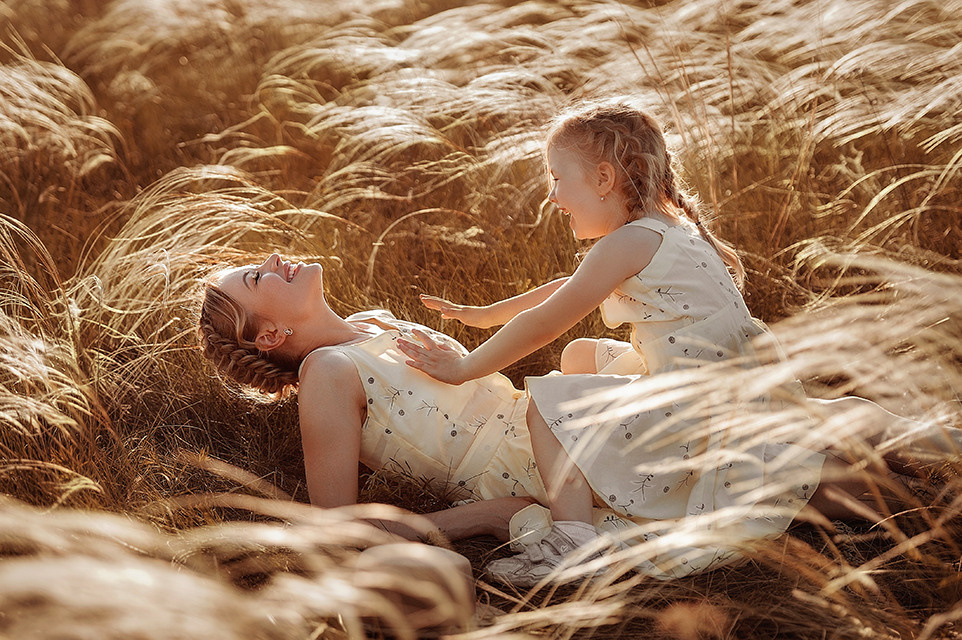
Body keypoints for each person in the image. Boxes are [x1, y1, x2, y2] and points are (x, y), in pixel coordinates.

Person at [397, 99, 961, 586]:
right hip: (733, 377)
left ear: (602, 179)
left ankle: (570, 542)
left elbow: (549, 318)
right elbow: (569, 288)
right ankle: (938, 441)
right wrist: (485, 312)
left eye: (557, 178)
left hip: (695, 397)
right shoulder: (664, 229)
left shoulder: (627, 243)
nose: (552, 195)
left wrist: (466, 367)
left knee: (548, 405)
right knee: (581, 359)